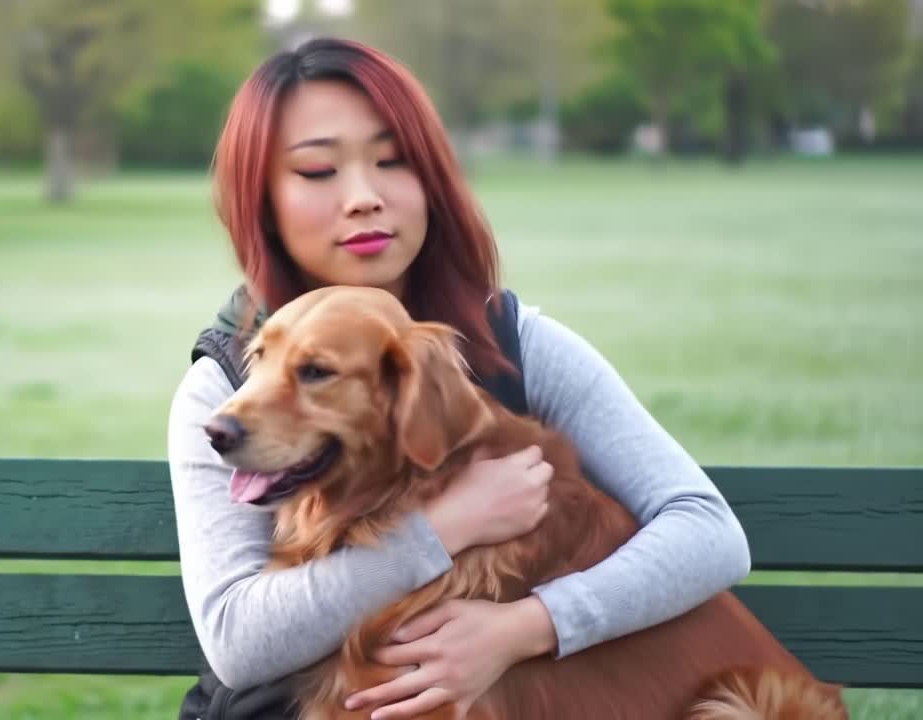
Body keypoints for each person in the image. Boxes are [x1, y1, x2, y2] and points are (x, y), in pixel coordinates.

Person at [167, 36, 750, 720]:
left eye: (393, 161)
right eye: (319, 170)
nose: (363, 198)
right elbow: (238, 640)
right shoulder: (222, 391)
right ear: (262, 202)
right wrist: (444, 529)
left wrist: (527, 627)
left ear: (433, 182)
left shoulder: (518, 347)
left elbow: (709, 532)